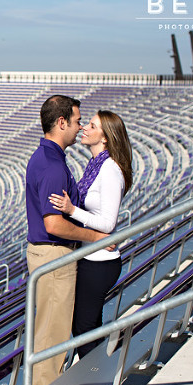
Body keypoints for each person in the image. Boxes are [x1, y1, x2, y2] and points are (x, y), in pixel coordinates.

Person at [25, 95, 112, 385]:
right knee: (53, 332)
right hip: (55, 254)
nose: (79, 126)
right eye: (77, 121)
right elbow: (53, 224)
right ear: (61, 122)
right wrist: (96, 238)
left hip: (50, 254)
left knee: (50, 328)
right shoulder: (51, 165)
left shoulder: (48, 158)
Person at [49, 110, 133, 358]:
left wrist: (71, 210)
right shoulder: (96, 165)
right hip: (90, 257)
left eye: (92, 126)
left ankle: (93, 383)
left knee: (84, 328)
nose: (84, 127)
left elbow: (107, 224)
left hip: (100, 263)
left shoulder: (110, 170)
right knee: (89, 327)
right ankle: (98, 379)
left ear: (105, 137)